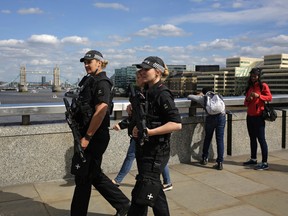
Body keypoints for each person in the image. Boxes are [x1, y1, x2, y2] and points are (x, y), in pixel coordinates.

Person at [70, 50, 130, 216]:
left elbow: (102, 110)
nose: (86, 65)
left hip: (94, 137)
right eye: (85, 62)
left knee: (83, 178)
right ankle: (124, 205)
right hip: (88, 135)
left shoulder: (102, 82)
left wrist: (87, 137)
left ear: (100, 63)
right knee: (92, 175)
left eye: (90, 61)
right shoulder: (89, 80)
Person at [127, 56, 182, 216]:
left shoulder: (162, 93)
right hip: (146, 149)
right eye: (141, 69)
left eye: (146, 69)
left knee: (141, 194)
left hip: (156, 151)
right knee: (153, 190)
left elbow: (176, 124)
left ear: (157, 72)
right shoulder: (146, 91)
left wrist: (149, 132)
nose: (142, 72)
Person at [112, 72, 173, 192]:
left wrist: (122, 124)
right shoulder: (140, 93)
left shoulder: (156, 94)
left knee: (131, 156)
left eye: (140, 77)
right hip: (140, 132)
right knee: (159, 159)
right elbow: (137, 115)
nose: (138, 79)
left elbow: (174, 122)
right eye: (137, 77)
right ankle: (167, 182)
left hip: (144, 133)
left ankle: (118, 180)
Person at [187, 87, 226, 170]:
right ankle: (219, 163)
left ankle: (204, 158)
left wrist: (200, 95)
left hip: (210, 118)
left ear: (204, 92)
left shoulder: (203, 98)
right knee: (220, 140)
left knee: (208, 138)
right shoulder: (218, 95)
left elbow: (189, 96)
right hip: (221, 118)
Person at [243, 68, 272, 170]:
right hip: (250, 116)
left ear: (259, 76)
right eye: (251, 76)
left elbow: (269, 97)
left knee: (261, 139)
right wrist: (248, 99)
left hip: (259, 116)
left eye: (255, 76)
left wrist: (258, 96)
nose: (253, 78)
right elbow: (245, 103)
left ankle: (265, 162)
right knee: (252, 138)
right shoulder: (249, 87)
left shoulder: (263, 86)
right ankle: (253, 158)